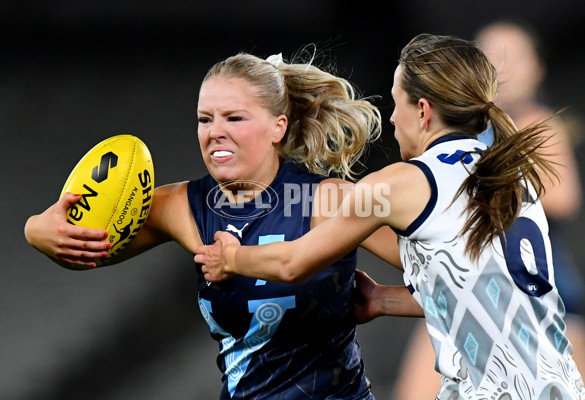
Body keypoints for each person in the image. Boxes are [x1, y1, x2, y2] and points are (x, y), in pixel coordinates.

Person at [196, 33, 585, 399]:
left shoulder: (402, 184)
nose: (392, 120)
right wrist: (384, 300)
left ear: (422, 110)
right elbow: (482, 287)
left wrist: (230, 258)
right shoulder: (511, 173)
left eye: (395, 102)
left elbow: (293, 261)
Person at [24, 50, 403, 399]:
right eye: (205, 119)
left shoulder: (330, 199)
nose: (214, 132)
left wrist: (385, 300)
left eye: (234, 118)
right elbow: (87, 249)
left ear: (278, 127)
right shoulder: (181, 206)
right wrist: (35, 231)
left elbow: (450, 271)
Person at [393, 21, 585, 400]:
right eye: (490, 55)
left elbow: (564, 197)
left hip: (538, 286)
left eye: (512, 57)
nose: (501, 68)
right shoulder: (463, 133)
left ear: (537, 68)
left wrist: (484, 185)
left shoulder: (537, 122)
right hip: (469, 282)